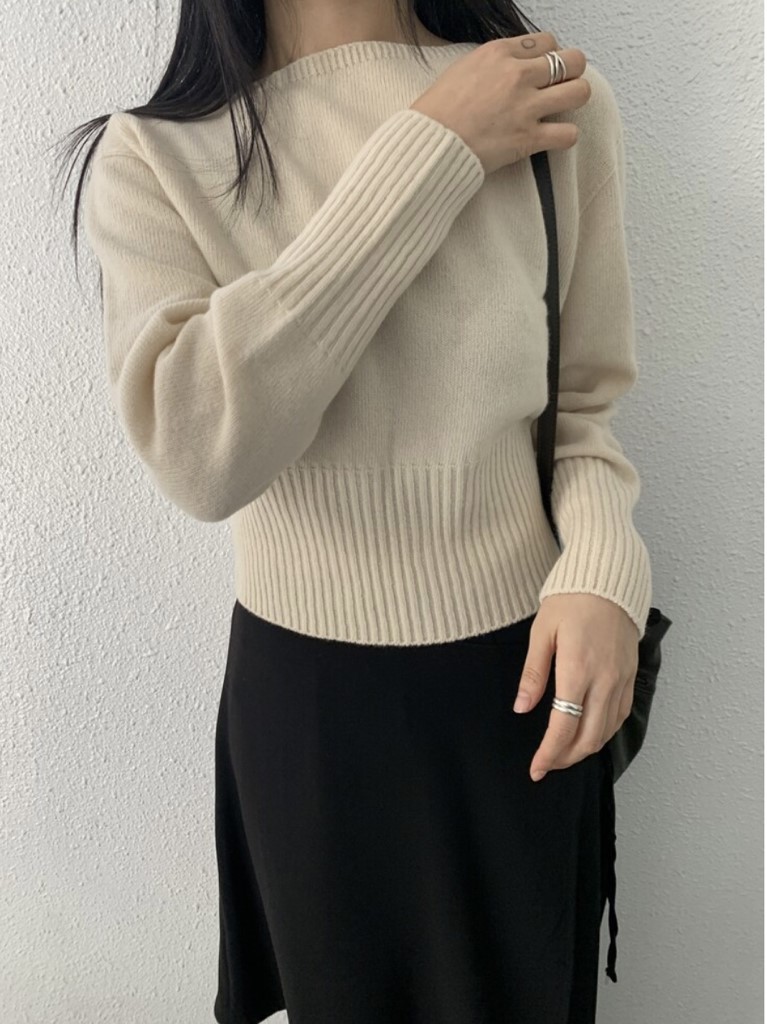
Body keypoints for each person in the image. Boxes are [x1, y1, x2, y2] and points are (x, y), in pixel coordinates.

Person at [57, 1, 652, 1021]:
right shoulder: (156, 157)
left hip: (521, 685)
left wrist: (603, 571)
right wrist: (432, 149)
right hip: (312, 713)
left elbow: (582, 405)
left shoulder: (548, 98)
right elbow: (203, 456)